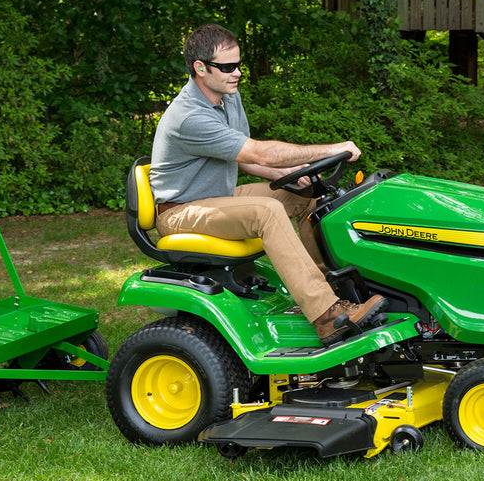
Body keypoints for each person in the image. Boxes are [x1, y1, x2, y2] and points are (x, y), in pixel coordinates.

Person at [149, 24, 387, 346]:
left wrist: (286, 176)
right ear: (200, 69)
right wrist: (332, 148)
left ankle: (331, 291)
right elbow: (258, 151)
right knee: (268, 210)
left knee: (309, 196)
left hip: (216, 197)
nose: (237, 73)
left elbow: (240, 155)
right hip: (180, 211)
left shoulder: (227, 97)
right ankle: (327, 316)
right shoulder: (188, 116)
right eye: (228, 67)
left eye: (239, 64)